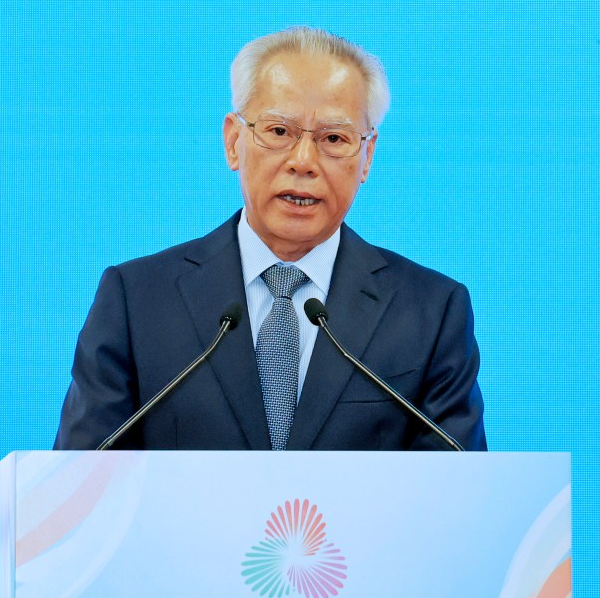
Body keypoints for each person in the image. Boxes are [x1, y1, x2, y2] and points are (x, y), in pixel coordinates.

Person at [54, 27, 486, 451]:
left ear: (367, 156)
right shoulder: (137, 301)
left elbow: (455, 489)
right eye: (279, 131)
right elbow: (80, 485)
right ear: (233, 142)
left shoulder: (431, 312)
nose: (304, 161)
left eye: (334, 138)